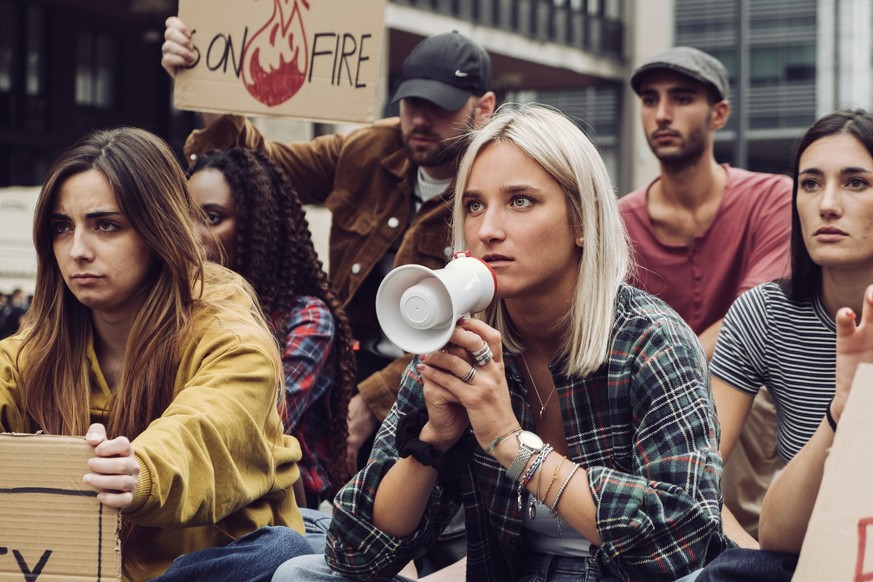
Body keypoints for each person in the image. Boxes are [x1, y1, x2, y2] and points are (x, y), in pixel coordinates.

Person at [272, 103, 730, 582]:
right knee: (301, 574)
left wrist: (513, 445)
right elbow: (353, 552)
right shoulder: (461, 340)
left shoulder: (650, 338)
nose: (488, 229)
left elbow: (685, 542)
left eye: (520, 201)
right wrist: (433, 440)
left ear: (581, 221)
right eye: (474, 205)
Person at [162, 22, 498, 473]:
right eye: (412, 103)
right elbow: (261, 168)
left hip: (438, 383)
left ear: (484, 108)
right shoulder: (366, 149)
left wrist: (371, 402)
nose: (420, 119)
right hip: (342, 368)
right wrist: (205, 85)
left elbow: (486, 324)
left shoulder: (493, 184)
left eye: (441, 107)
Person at [0, 127, 315, 581]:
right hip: (74, 572)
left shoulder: (233, 339)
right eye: (61, 227)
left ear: (157, 230)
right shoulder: (36, 349)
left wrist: (138, 471)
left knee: (278, 552)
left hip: (200, 571)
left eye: (106, 225)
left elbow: (205, 430)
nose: (78, 250)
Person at [688, 109, 873, 580]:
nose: (827, 204)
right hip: (802, 550)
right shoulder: (767, 314)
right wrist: (840, 410)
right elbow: (696, 479)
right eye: (810, 184)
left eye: (856, 183)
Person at [619, 46, 792, 546]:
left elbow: (748, 320)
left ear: (719, 114)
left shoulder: (771, 198)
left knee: (736, 390)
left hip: (749, 394)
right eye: (650, 100)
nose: (662, 114)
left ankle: (748, 553)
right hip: (643, 399)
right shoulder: (620, 221)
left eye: (682, 98)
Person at [188, 147, 357, 509]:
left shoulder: (307, 320)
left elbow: (249, 427)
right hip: (193, 493)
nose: (191, 234)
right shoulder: (174, 307)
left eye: (212, 218)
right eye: (182, 217)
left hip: (286, 510)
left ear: (256, 226)